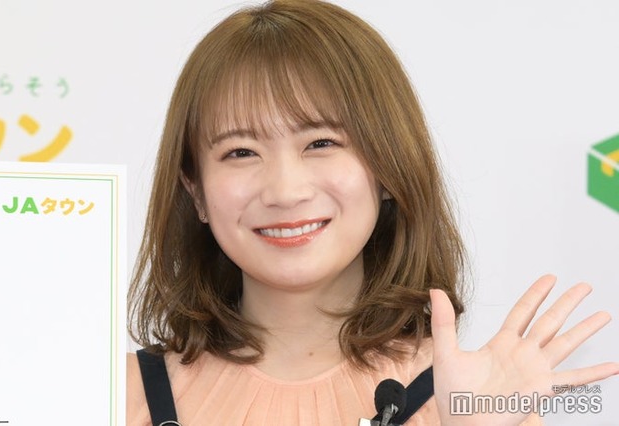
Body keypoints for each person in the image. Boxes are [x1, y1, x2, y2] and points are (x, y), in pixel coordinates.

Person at [126, 1, 619, 424]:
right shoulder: (121, 393)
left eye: (321, 142)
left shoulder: (468, 396)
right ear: (196, 191)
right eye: (240, 152)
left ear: (388, 167)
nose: (285, 191)